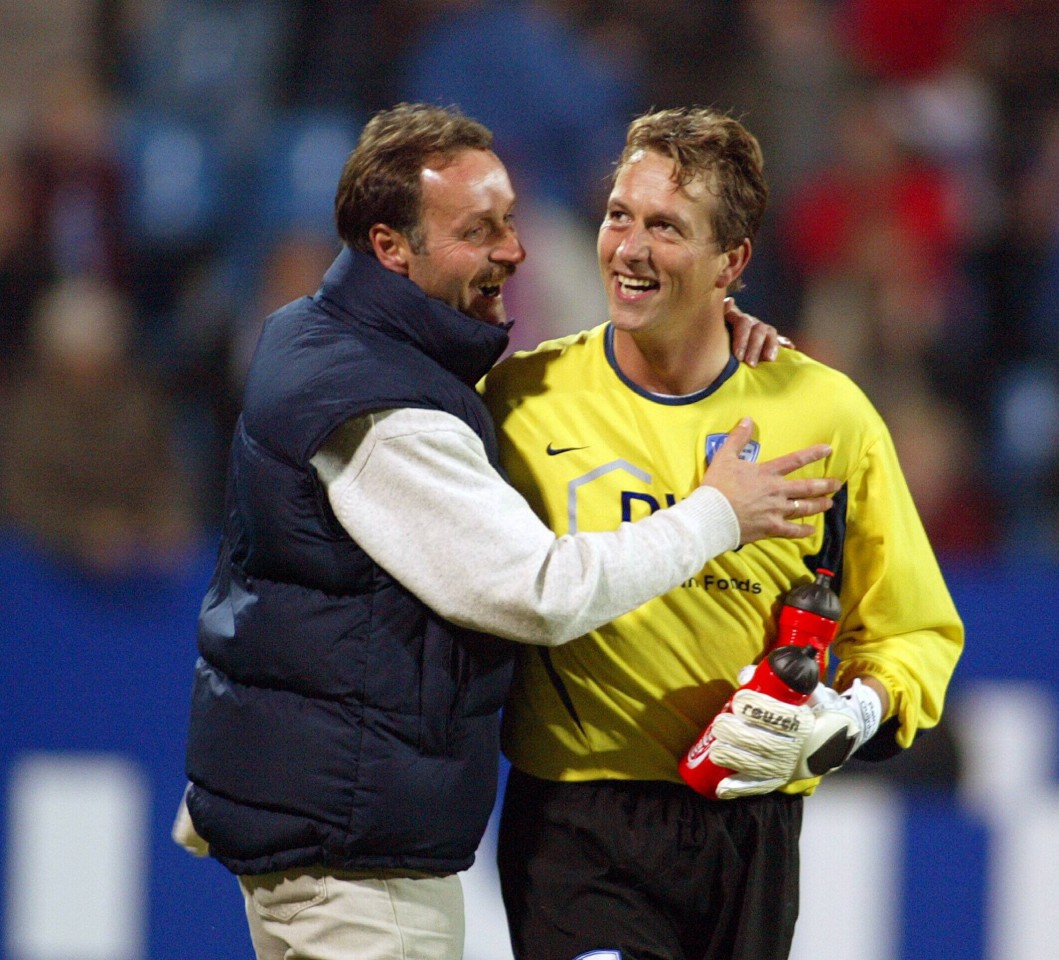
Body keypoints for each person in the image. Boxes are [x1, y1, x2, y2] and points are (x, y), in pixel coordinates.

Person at [176, 102, 840, 960]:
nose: (512, 250)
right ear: (392, 248)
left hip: (323, 825)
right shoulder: (385, 415)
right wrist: (719, 513)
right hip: (357, 862)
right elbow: (538, 592)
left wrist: (702, 326)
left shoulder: (326, 336)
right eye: (478, 229)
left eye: (511, 219)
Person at [481, 107, 964, 960]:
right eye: (618, 215)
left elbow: (911, 630)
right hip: (576, 824)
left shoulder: (823, 414)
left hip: (753, 829)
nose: (628, 248)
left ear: (731, 263)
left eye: (666, 227)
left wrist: (848, 713)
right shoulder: (523, 400)